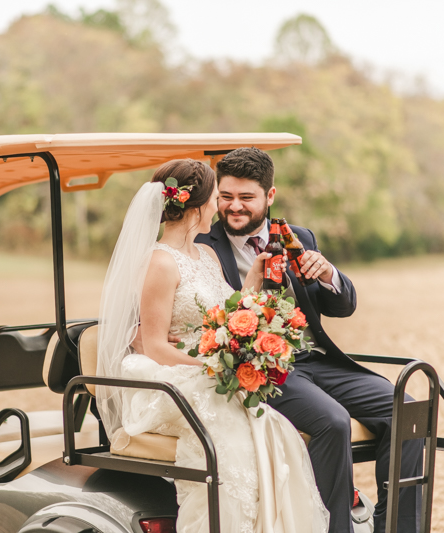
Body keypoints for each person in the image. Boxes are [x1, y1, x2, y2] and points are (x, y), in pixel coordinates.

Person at [196, 147, 423, 533]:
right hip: (265, 368)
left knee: (409, 410)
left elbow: (343, 306)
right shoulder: (203, 243)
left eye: (246, 198)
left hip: (319, 360)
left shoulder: (298, 237)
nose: (233, 207)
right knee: (332, 422)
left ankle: (397, 528)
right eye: (226, 196)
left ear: (270, 196)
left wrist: (329, 275)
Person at [96, 159, 329, 533]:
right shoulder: (159, 262)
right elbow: (155, 347)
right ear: (198, 206)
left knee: (273, 430)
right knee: (240, 440)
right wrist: (217, 368)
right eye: (216, 199)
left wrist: (253, 284)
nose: (219, 209)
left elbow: (226, 313)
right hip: (175, 377)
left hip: (209, 370)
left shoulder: (205, 255)